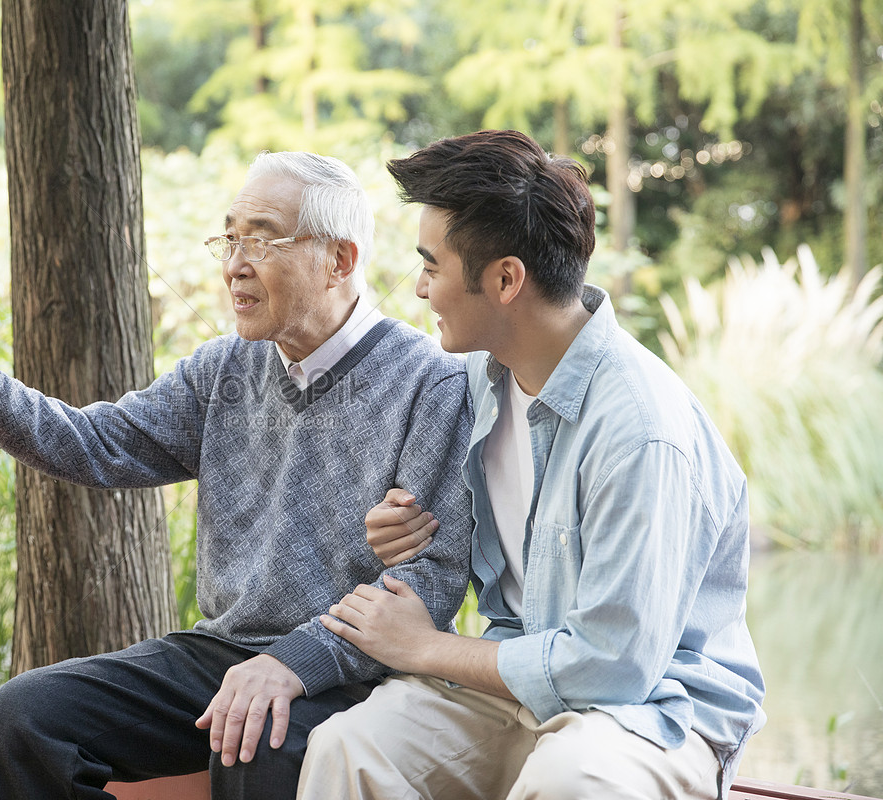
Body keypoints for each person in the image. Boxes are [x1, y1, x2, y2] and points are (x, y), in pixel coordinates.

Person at [0, 151, 474, 800]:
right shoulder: (223, 370)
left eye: (262, 239)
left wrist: (290, 662)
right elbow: (95, 442)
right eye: (230, 238)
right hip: (220, 656)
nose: (234, 264)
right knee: (26, 718)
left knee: (258, 742)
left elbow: (428, 580)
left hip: (352, 670)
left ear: (340, 260)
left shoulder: (428, 382)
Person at [299, 130, 766, 800]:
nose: (421, 290)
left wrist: (425, 648)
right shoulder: (475, 380)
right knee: (352, 746)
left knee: (569, 778)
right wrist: (400, 520)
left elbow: (613, 666)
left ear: (506, 279)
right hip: (517, 688)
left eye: (431, 268)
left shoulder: (641, 429)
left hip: (655, 711)